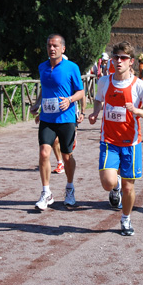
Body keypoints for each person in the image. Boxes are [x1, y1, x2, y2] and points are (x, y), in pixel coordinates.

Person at [88, 41, 143, 236]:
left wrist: (137, 111)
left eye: (123, 58)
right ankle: (114, 187)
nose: (119, 61)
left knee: (130, 187)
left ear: (131, 62)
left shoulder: (139, 86)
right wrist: (95, 113)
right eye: (116, 57)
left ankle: (126, 219)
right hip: (109, 141)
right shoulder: (104, 81)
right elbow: (98, 99)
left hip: (131, 143)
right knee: (107, 182)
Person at [29, 34, 84, 210]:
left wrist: (70, 100)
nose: (51, 49)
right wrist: (37, 105)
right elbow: (45, 90)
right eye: (49, 46)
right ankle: (46, 192)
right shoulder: (42, 67)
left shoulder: (71, 67)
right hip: (47, 118)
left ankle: (70, 187)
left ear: (63, 49)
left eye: (55, 46)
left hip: (66, 118)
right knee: (44, 153)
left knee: (67, 156)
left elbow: (80, 92)